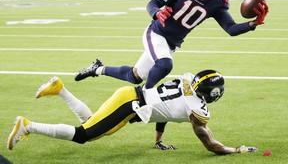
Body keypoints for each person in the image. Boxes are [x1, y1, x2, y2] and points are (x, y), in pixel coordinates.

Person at [74, 0, 269, 149]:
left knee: (135, 75)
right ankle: (143, 101)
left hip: (172, 43)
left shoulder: (217, 0)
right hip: (156, 32)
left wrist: (253, 24)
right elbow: (152, 4)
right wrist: (157, 13)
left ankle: (97, 69)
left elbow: (231, 28)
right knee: (165, 64)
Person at [7, 69, 258, 155]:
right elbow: (210, 143)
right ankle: (27, 125)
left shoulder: (187, 82)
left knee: (92, 123)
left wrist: (158, 139)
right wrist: (235, 149)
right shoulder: (198, 110)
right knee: (85, 134)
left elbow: (168, 112)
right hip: (130, 105)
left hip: (130, 97)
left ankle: (60, 89)